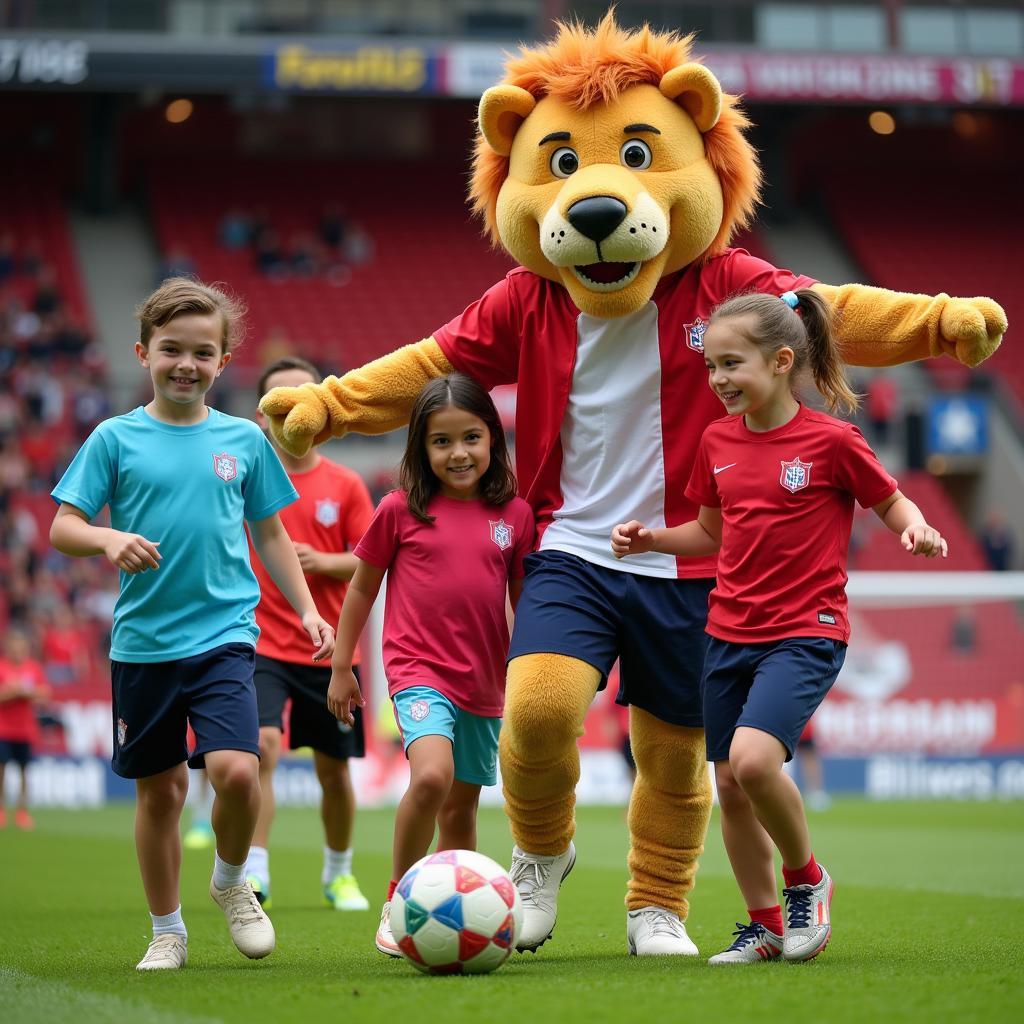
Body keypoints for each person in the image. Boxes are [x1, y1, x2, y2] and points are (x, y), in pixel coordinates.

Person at [611, 288, 946, 965]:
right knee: (730, 786)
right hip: (727, 631)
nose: (719, 380)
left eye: (731, 364)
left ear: (782, 360)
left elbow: (891, 499)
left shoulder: (831, 441)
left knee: (754, 761)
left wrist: (917, 529)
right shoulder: (717, 441)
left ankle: (806, 880)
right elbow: (710, 531)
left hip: (806, 629)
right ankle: (765, 925)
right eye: (710, 367)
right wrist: (651, 540)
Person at [48, 277, 336, 972]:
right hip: (143, 646)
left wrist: (304, 609)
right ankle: (167, 929)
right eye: (172, 349)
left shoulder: (244, 439)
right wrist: (109, 541)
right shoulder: (114, 439)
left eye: (202, 353)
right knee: (163, 791)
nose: (186, 363)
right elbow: (64, 526)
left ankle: (232, 883)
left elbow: (270, 535)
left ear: (222, 360)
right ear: (144, 352)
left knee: (238, 772)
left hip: (226, 638)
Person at [326, 373, 534, 957]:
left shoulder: (514, 516)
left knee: (461, 808)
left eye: (470, 437)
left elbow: (522, 600)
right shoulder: (399, 509)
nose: (458, 453)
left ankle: (453, 927)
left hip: (484, 680)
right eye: (441, 442)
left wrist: (529, 667)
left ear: (492, 438)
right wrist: (344, 667)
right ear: (421, 447)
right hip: (419, 670)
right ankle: (399, 904)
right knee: (433, 776)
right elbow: (363, 591)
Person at [244, 355, 375, 912]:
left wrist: (322, 562)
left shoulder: (344, 485)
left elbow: (373, 561)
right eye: (281, 399)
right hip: (259, 644)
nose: (294, 408)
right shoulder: (245, 477)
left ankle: (339, 873)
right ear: (262, 413)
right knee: (261, 750)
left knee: (332, 769)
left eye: (304, 396)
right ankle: (254, 870)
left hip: (329, 649)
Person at [0, 626, 52, 830]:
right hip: (3, 729)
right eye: (14, 646)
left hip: (25, 729)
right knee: (1, 771)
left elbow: (44, 693)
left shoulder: (33, 668)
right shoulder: (2, 667)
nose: (17, 650)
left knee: (24, 773)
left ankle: (22, 812)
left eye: (20, 646)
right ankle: (1, 811)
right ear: (8, 647)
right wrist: (13, 691)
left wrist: (24, 691)